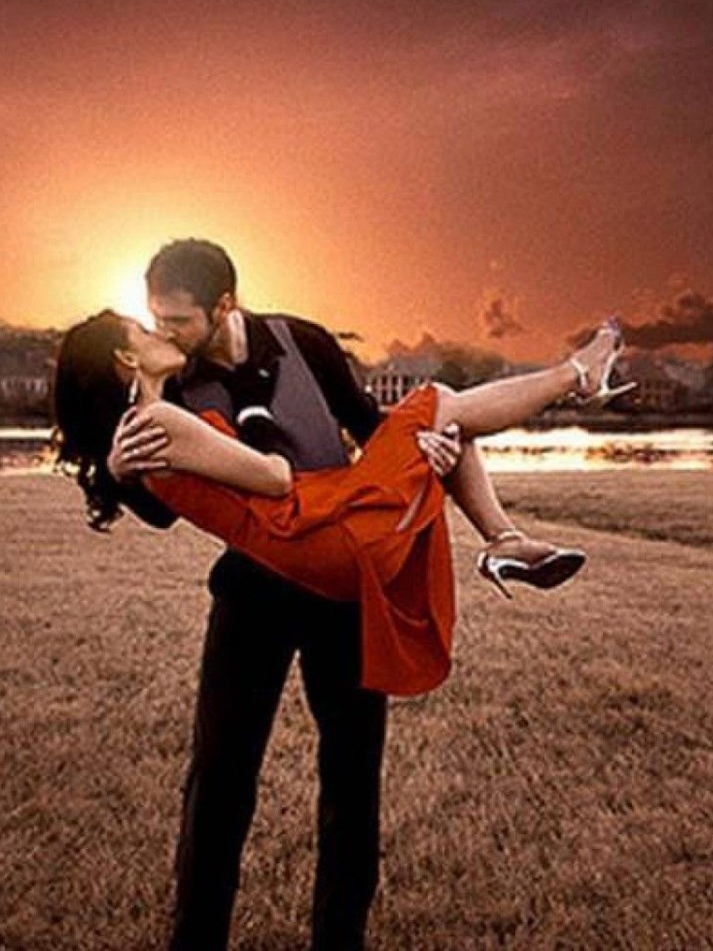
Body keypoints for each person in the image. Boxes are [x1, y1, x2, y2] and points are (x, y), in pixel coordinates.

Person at [50, 238, 628, 950]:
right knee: (219, 781)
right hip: (254, 592)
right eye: (154, 320)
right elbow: (171, 506)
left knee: (353, 779)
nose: (166, 332)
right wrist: (117, 471)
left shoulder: (305, 343)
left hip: (343, 586)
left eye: (177, 320)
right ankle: (536, 468)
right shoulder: (173, 382)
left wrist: (432, 454)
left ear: (224, 305)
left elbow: (367, 427)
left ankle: (339, 940)